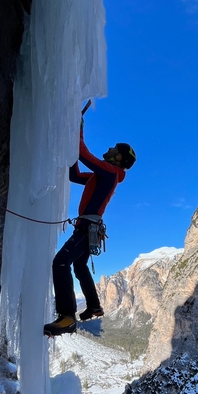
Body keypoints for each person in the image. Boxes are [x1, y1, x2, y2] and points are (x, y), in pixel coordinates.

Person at [43, 122, 136, 337]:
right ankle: (94, 305)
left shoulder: (111, 172)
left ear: (119, 158)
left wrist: (76, 127)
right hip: (88, 228)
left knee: (61, 262)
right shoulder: (100, 176)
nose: (110, 148)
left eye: (115, 148)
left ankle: (67, 316)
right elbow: (74, 175)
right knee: (79, 265)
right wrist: (69, 152)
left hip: (87, 228)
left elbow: (84, 154)